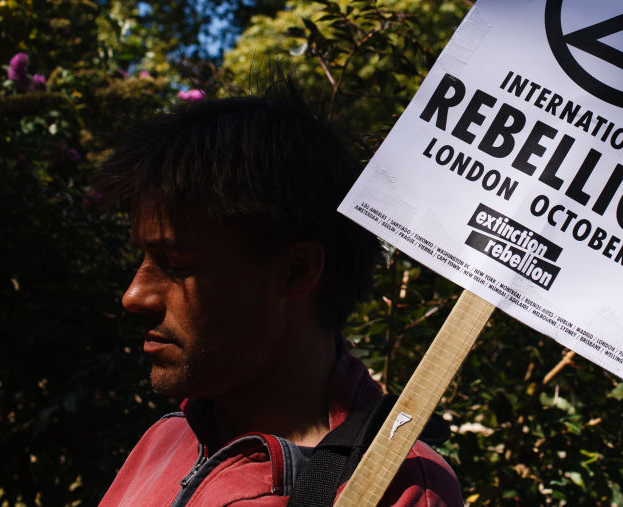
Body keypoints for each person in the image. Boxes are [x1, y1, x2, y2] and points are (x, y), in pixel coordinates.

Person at [94, 83, 463, 506]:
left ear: (295, 271)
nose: (135, 295)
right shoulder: (166, 438)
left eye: (177, 264)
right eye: (142, 258)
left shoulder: (400, 488)